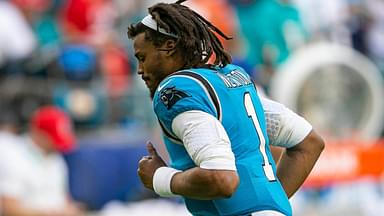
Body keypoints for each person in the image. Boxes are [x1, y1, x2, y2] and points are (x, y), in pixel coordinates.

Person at [128, 1, 324, 215]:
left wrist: (159, 178)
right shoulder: (231, 78)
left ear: (168, 46)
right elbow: (310, 142)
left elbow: (222, 178)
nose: (140, 69)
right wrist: (269, 205)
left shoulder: (173, 90)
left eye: (142, 57)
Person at [0, 105, 83, 216]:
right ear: (38, 133)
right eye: (52, 139)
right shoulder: (12, 155)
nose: (56, 146)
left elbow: (63, 199)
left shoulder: (57, 159)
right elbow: (8, 208)